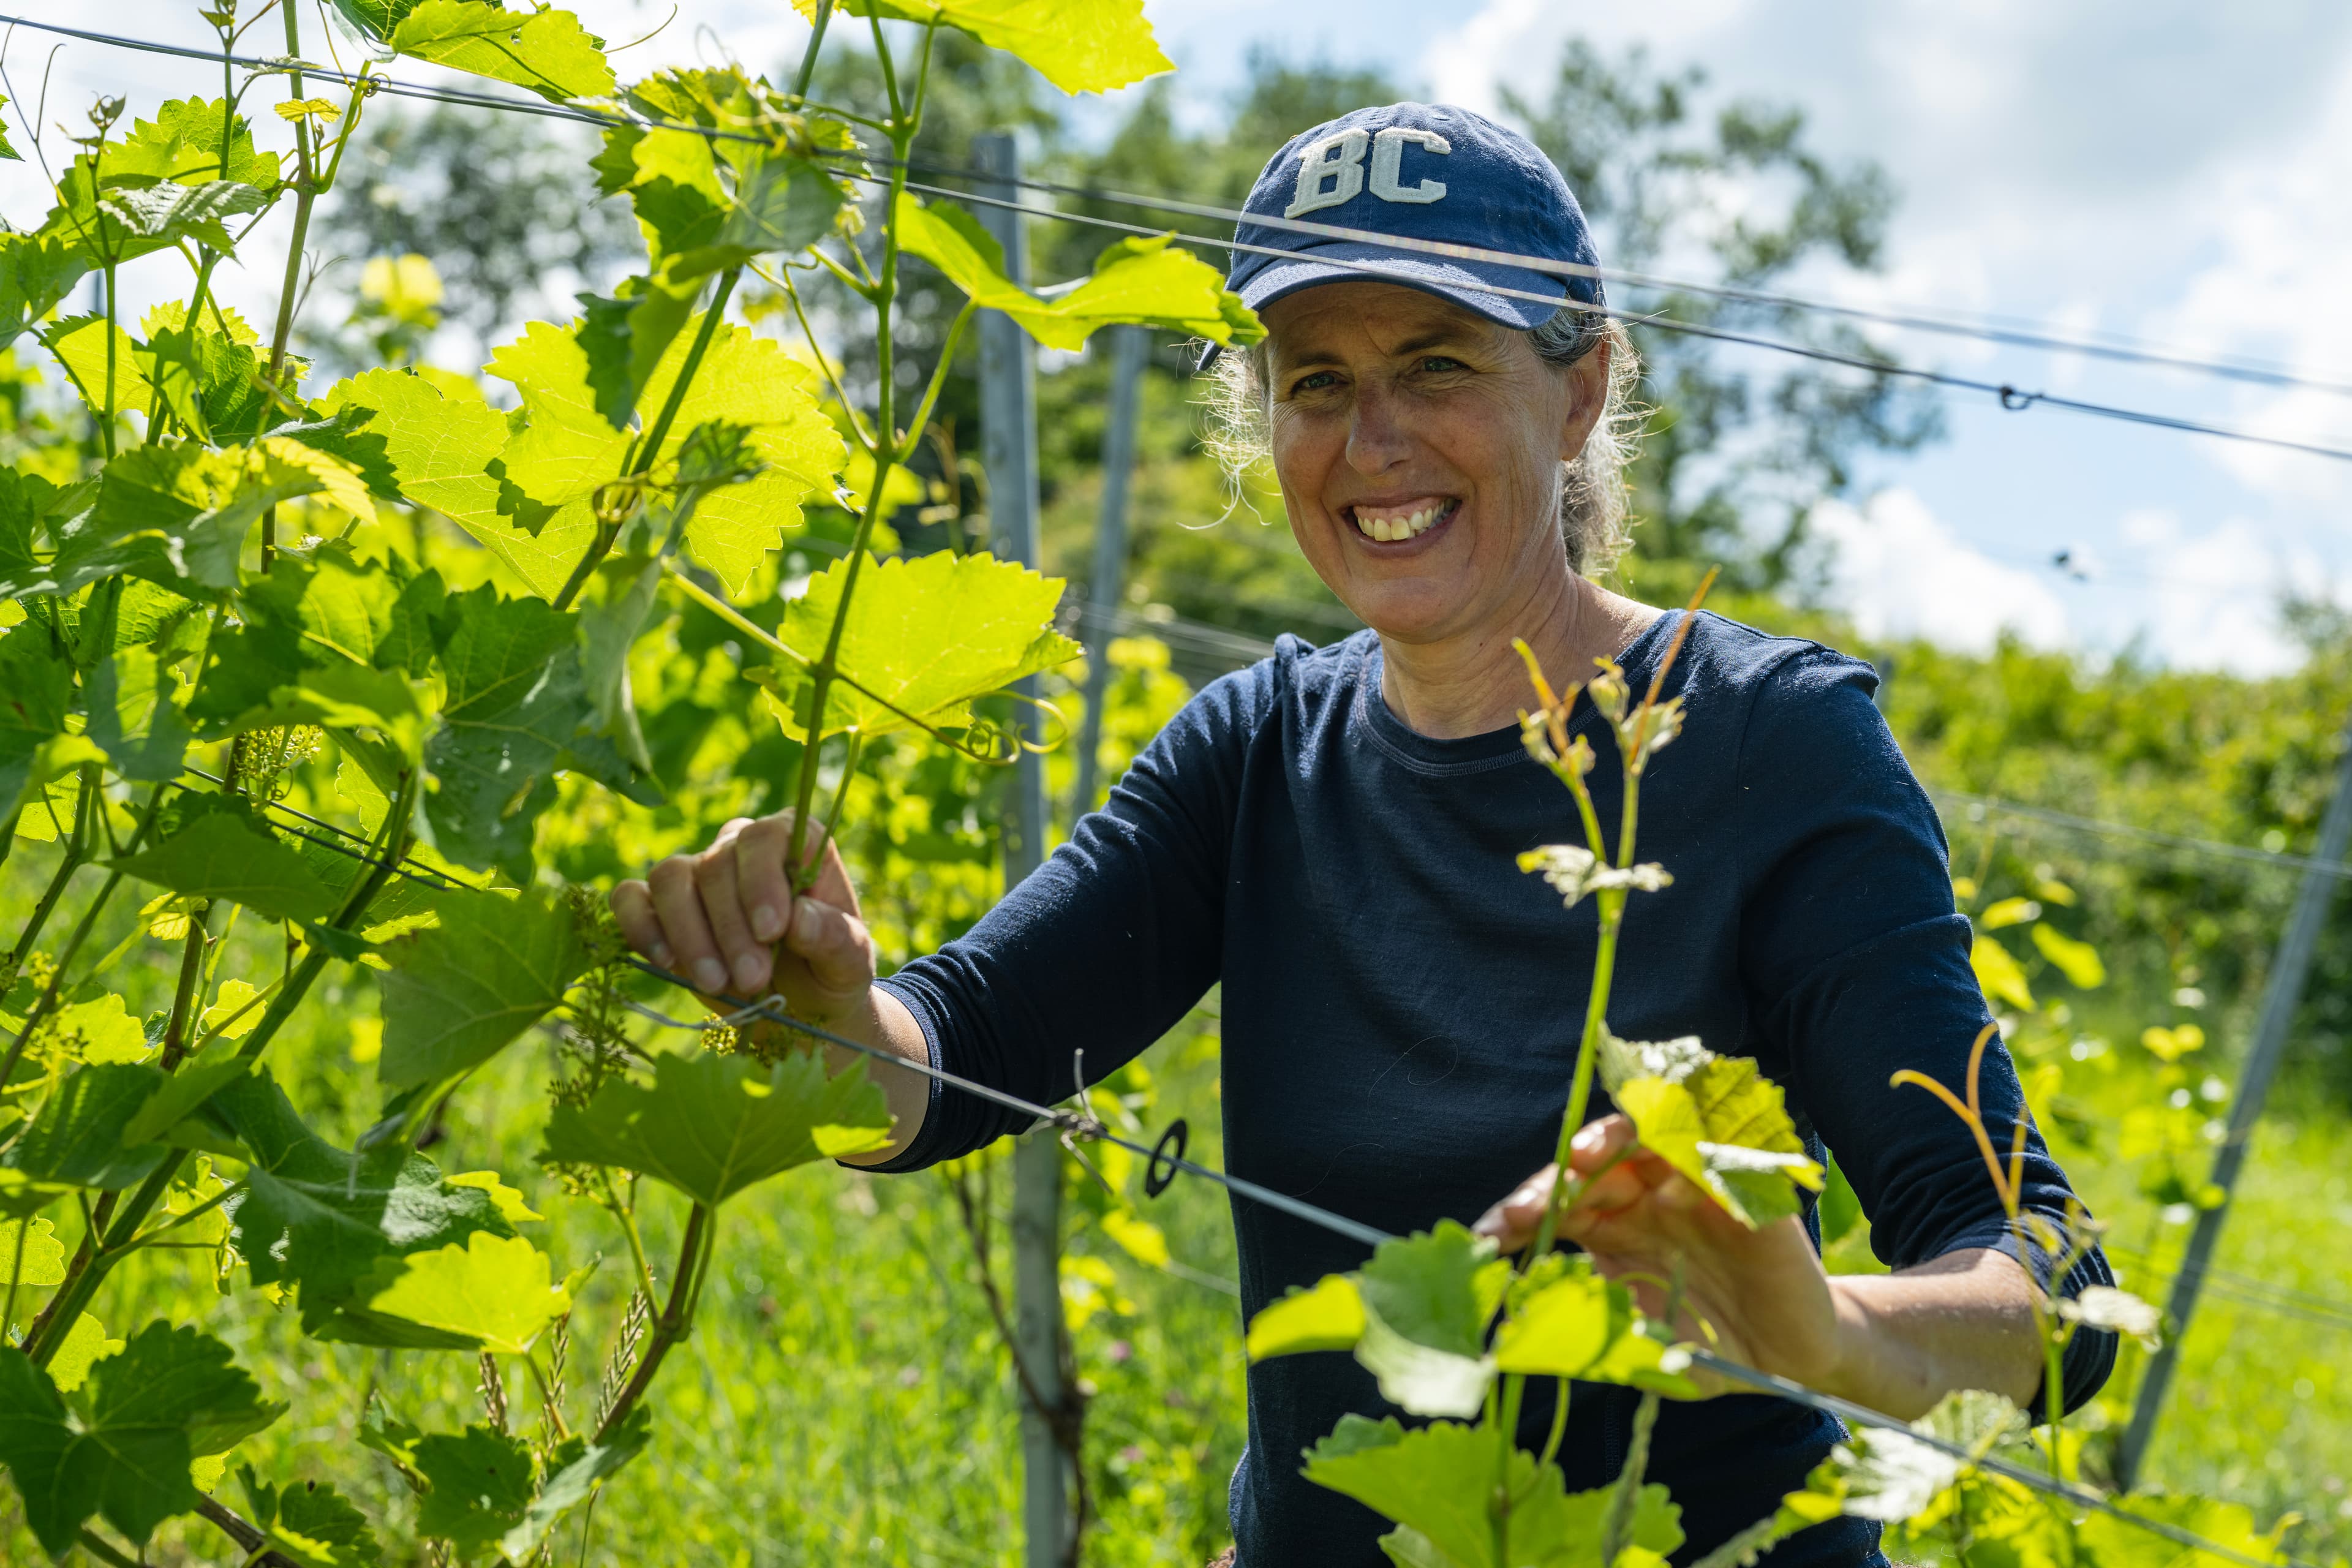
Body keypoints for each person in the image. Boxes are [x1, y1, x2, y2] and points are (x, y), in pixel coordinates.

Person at [609, 102, 2115, 1568]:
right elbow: (961, 1051)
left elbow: (2039, 1273)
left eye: (1436, 362)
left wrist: (1832, 1330)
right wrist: (826, 1006)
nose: (1370, 440)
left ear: (1580, 389)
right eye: (1313, 380)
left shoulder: (1770, 745)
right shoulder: (1256, 749)